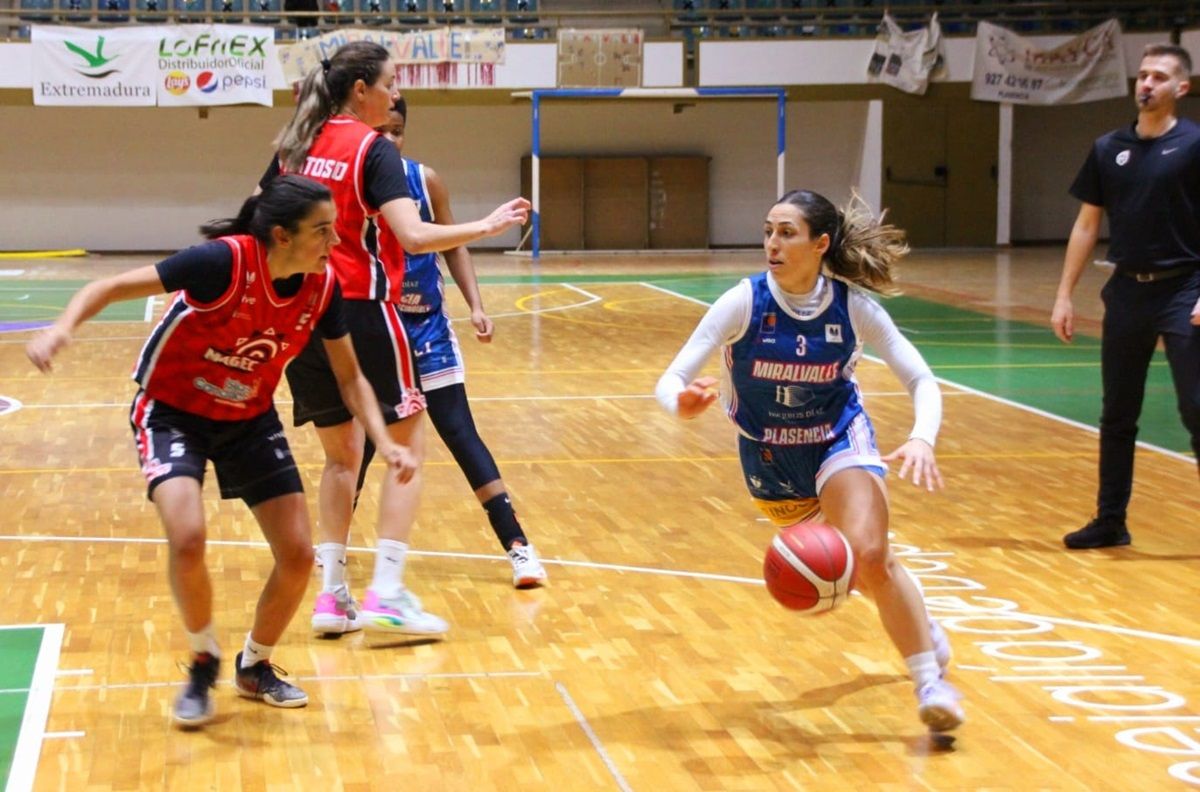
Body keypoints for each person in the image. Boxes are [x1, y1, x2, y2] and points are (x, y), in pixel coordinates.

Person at [25, 175, 417, 729]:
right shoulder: (220, 263)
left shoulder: (321, 287)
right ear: (281, 235)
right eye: (323, 231)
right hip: (172, 410)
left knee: (300, 555)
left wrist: (384, 441)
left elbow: (350, 378)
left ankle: (254, 666)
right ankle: (203, 660)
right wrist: (62, 328)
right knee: (187, 537)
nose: (334, 242)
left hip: (249, 418)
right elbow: (110, 286)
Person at [655, 189, 963, 733]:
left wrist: (922, 437)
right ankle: (924, 627)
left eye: (787, 232)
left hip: (837, 439)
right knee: (857, 575)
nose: (773, 242)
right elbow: (671, 378)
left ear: (820, 244)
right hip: (770, 460)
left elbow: (919, 377)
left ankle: (930, 683)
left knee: (869, 554)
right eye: (769, 230)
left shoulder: (853, 309)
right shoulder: (743, 303)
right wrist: (679, 403)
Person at [265, 41, 530, 636]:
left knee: (341, 459)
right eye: (390, 82)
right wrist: (486, 225)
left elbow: (259, 219)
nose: (397, 92)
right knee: (406, 452)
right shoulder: (371, 149)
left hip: (303, 317)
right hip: (362, 314)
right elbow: (412, 237)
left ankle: (332, 598)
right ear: (360, 89)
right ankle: (387, 590)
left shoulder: (297, 146)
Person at [365, 97, 547, 588]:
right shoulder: (351, 187)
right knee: (362, 441)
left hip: (427, 328)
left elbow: (454, 244)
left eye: (397, 130)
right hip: (378, 326)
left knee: (460, 434)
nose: (389, 139)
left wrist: (477, 306)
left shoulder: (425, 181)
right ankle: (333, 551)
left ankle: (518, 545)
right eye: (379, 130)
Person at [1051, 43, 1200, 550]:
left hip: (1186, 288)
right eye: (1142, 75)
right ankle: (1110, 520)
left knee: (1196, 407)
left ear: (1181, 88)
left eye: (1159, 76)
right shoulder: (1107, 148)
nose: (1146, 84)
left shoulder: (1195, 144)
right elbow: (1087, 224)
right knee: (1117, 412)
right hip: (1128, 292)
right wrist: (1064, 294)